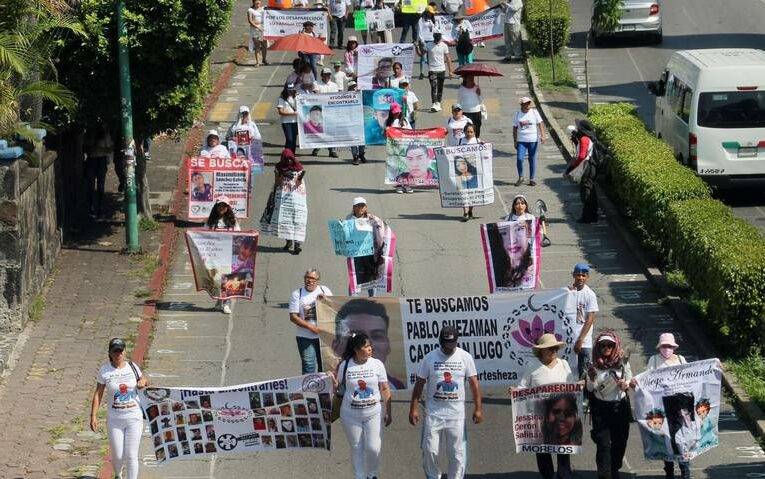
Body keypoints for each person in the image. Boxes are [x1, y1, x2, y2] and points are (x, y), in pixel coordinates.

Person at [409, 326, 483, 479]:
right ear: (440, 341)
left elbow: (474, 383)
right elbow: (419, 383)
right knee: (430, 450)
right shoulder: (430, 358)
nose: (448, 349)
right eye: (445, 345)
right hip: (433, 414)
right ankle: (433, 476)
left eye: (452, 344)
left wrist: (478, 409)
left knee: (457, 453)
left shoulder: (465, 357)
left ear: (456, 341)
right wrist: (413, 409)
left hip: (456, 415)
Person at [514, 333, 576, 479]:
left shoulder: (564, 364)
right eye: (550, 348)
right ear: (541, 351)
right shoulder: (532, 366)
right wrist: (516, 392)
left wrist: (578, 387)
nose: (553, 350)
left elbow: (572, 386)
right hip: (540, 415)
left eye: (555, 348)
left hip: (561, 415)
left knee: (563, 448)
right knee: (543, 449)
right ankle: (547, 475)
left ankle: (564, 474)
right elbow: (522, 387)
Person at [630, 333, 691, 479]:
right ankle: (669, 472)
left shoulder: (682, 360)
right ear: (659, 347)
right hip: (661, 407)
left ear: (674, 347)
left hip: (680, 407)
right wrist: (635, 383)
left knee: (682, 440)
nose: (667, 349)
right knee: (666, 439)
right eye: (664, 346)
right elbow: (647, 379)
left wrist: (714, 365)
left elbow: (693, 377)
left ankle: (685, 472)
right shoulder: (654, 360)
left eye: (669, 346)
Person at [335, 333, 392, 479]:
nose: (370, 349)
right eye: (365, 347)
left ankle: (372, 474)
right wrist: (330, 378)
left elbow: (384, 388)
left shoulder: (377, 364)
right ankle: (359, 476)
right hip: (350, 415)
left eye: (370, 346)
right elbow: (338, 386)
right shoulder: (345, 365)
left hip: (373, 413)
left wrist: (388, 411)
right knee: (356, 447)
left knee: (373, 447)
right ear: (356, 349)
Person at [90, 338, 147, 479]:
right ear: (110, 353)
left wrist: (142, 382)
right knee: (118, 454)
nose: (118, 354)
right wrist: (93, 416)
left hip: (134, 417)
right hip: (114, 420)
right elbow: (98, 393)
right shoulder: (105, 371)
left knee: (131, 454)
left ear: (125, 351)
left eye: (121, 351)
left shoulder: (132, 366)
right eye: (115, 351)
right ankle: (118, 474)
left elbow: (144, 379)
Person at [586, 331, 632, 479]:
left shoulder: (622, 363)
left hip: (620, 407)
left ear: (615, 346)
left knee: (620, 442)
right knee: (603, 445)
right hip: (601, 408)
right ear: (598, 347)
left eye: (609, 345)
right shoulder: (593, 365)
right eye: (603, 345)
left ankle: (615, 468)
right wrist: (592, 379)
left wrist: (626, 385)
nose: (606, 348)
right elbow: (589, 389)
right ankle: (604, 474)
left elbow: (630, 381)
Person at [289, 269, 333, 373]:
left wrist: (326, 299)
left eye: (312, 278)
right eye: (307, 278)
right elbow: (293, 317)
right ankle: (309, 388)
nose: (309, 280)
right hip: (305, 337)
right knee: (308, 366)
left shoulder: (324, 290)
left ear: (318, 280)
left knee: (325, 365)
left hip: (324, 336)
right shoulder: (297, 294)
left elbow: (333, 307)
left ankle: (323, 388)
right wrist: (311, 327)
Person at [263, 149, 306, 254]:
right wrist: (283, 174)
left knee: (297, 220)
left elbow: (299, 184)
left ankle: (297, 245)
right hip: (281, 198)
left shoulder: (299, 167)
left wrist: (299, 178)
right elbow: (277, 182)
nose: (288, 161)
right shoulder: (278, 167)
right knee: (284, 220)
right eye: (286, 159)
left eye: (290, 159)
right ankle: (288, 242)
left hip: (296, 198)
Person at [345, 197, 387, 297]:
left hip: (370, 254)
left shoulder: (372, 218)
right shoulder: (349, 218)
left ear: (366, 207)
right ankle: (353, 300)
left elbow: (382, 232)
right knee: (355, 277)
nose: (360, 208)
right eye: (358, 206)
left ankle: (372, 299)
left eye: (362, 206)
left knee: (371, 278)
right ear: (353, 207)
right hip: (355, 255)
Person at [206, 196, 241, 314]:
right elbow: (203, 236)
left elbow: (239, 236)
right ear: (216, 207)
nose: (222, 208)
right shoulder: (210, 222)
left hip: (228, 255)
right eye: (220, 206)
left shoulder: (233, 221)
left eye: (224, 206)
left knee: (228, 280)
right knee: (216, 280)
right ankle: (219, 301)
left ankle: (226, 303)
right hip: (215, 256)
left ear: (227, 208)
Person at [567, 262, 598, 380]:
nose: (581, 278)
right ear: (573, 275)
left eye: (583, 275)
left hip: (583, 341)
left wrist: (581, 339)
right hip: (569, 338)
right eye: (578, 275)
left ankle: (584, 397)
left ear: (587, 277)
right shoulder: (568, 292)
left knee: (584, 372)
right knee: (568, 371)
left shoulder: (590, 295)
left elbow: (590, 319)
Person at [565, 119, 599, 223]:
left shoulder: (584, 139)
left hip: (586, 168)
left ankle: (587, 217)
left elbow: (581, 156)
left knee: (586, 193)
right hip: (591, 167)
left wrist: (572, 167)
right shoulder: (588, 138)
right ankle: (593, 215)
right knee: (591, 192)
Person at [485, 219, 534, 289]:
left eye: (519, 229)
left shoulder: (534, 267)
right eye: (503, 233)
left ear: (529, 231)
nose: (512, 241)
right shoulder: (497, 271)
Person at [512, 96, 545, 186]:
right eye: (526, 103)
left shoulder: (534, 112)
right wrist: (515, 141)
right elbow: (514, 128)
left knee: (532, 159)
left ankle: (532, 179)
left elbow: (540, 123)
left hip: (533, 140)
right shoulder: (517, 114)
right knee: (520, 159)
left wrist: (543, 136)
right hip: (521, 141)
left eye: (529, 103)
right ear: (522, 105)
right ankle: (521, 177)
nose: (528, 105)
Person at [418, 32, 453, 112]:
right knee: (434, 87)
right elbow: (421, 54)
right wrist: (418, 46)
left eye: (438, 39)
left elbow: (448, 58)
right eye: (436, 39)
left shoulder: (444, 46)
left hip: (442, 70)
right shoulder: (429, 45)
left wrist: (450, 71)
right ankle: (434, 103)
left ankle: (438, 103)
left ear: (440, 38)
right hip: (432, 70)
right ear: (434, 38)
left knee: (440, 87)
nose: (437, 41)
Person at [84, 125, 113, 219]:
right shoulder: (88, 134)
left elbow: (110, 148)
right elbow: (84, 147)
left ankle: (100, 207)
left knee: (100, 185)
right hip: (91, 160)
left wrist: (100, 148)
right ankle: (91, 207)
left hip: (101, 160)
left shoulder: (105, 134)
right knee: (90, 185)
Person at [347, 81, 368, 165]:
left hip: (361, 120)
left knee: (362, 139)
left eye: (355, 86)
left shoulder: (360, 95)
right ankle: (355, 156)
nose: (354, 88)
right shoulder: (346, 97)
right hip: (351, 121)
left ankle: (361, 154)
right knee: (353, 140)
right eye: (352, 87)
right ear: (349, 89)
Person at [277, 84, 299, 153]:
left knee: (294, 140)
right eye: (289, 90)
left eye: (292, 90)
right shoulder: (282, 98)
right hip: (286, 122)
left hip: (295, 121)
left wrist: (299, 97)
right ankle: (286, 155)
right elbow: (281, 112)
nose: (290, 91)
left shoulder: (296, 97)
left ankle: (292, 155)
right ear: (286, 90)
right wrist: (293, 114)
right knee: (289, 139)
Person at [248, 0, 268, 66]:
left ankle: (264, 60)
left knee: (264, 45)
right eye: (256, 2)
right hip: (255, 29)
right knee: (257, 46)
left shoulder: (263, 9)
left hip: (263, 28)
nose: (258, 3)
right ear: (253, 2)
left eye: (259, 1)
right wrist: (257, 26)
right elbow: (250, 21)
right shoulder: (250, 10)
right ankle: (257, 62)